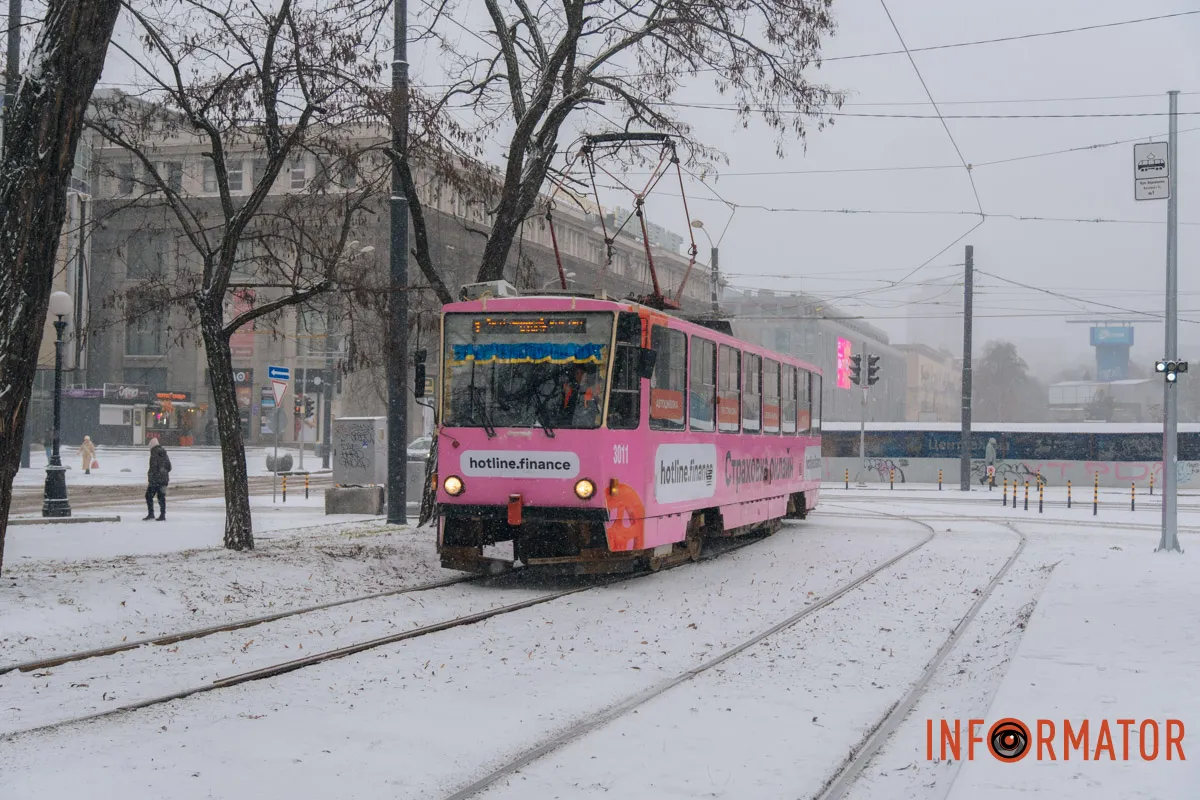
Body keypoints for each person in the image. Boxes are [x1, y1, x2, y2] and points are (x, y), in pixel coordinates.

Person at [145, 437, 172, 521]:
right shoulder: (164, 453)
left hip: (155, 480)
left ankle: (151, 514)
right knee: (161, 497)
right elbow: (169, 467)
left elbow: (153, 468)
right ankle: (162, 515)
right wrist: (163, 472)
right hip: (164, 480)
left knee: (148, 496)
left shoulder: (154, 454)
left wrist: (150, 477)